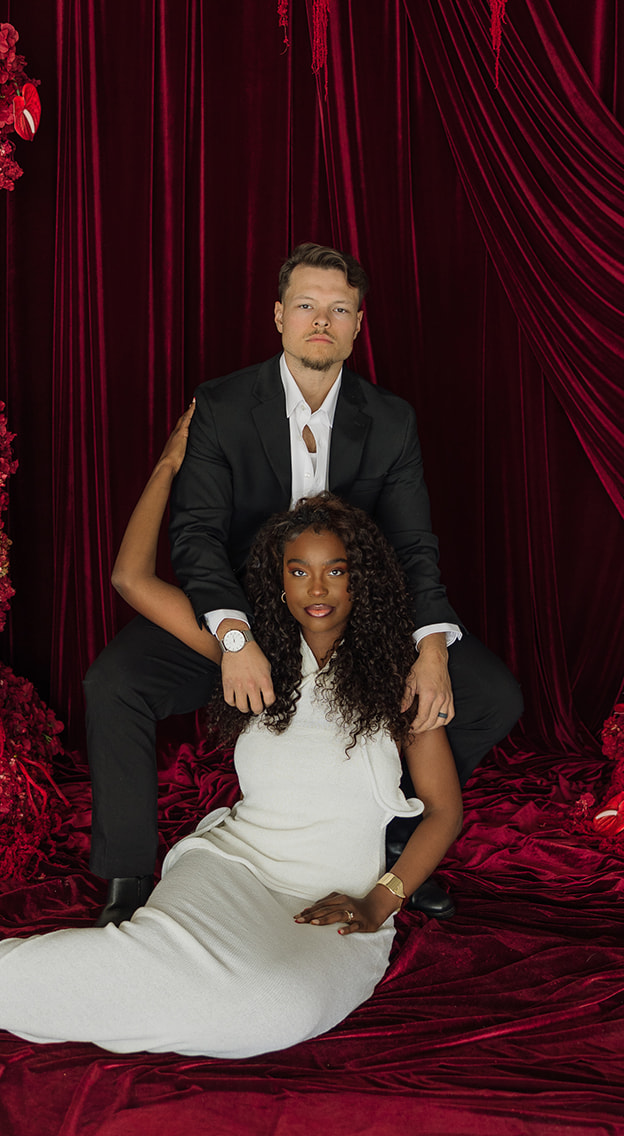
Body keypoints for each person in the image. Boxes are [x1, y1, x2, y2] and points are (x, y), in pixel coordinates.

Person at [0, 416, 462, 1059]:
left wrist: (379, 903)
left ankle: (16, 985)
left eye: (335, 571)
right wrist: (165, 468)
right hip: (236, 869)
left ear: (361, 577)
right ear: (279, 578)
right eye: (299, 571)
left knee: (275, 1008)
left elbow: (443, 809)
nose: (317, 589)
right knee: (149, 958)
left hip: (339, 898)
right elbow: (131, 579)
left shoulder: (400, 679)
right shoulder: (248, 654)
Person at [85, 243, 521, 924]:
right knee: (115, 682)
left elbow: (412, 545)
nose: (322, 321)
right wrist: (233, 635)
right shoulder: (224, 405)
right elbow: (196, 537)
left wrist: (430, 650)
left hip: (351, 612)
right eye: (307, 306)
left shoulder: (391, 419)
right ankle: (127, 875)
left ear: (356, 324)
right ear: (279, 318)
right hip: (242, 607)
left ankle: (397, 839)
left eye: (338, 309)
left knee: (491, 693)